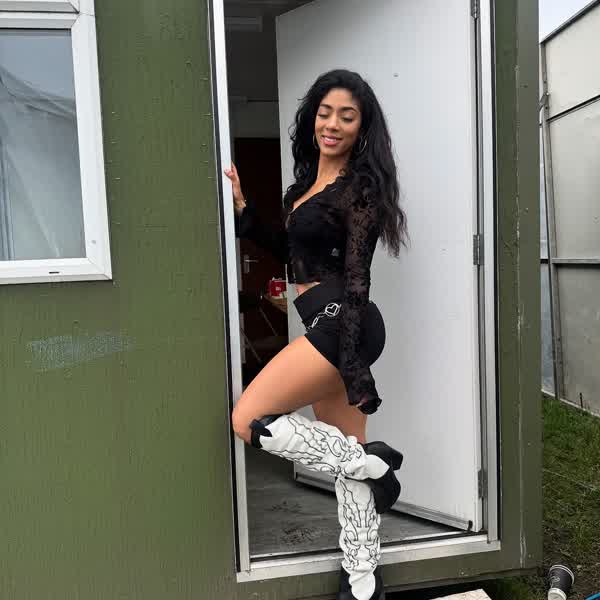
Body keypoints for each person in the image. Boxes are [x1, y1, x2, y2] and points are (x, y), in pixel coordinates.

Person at [225, 69, 408, 600]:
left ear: (361, 129)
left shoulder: (359, 189)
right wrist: (244, 211)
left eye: (346, 117)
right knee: (348, 452)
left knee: (247, 420)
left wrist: (351, 363)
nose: (332, 124)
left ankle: (370, 465)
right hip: (331, 325)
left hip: (344, 322)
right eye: (325, 112)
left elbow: (357, 279)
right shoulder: (305, 186)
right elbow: (289, 253)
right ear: (313, 118)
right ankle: (363, 576)